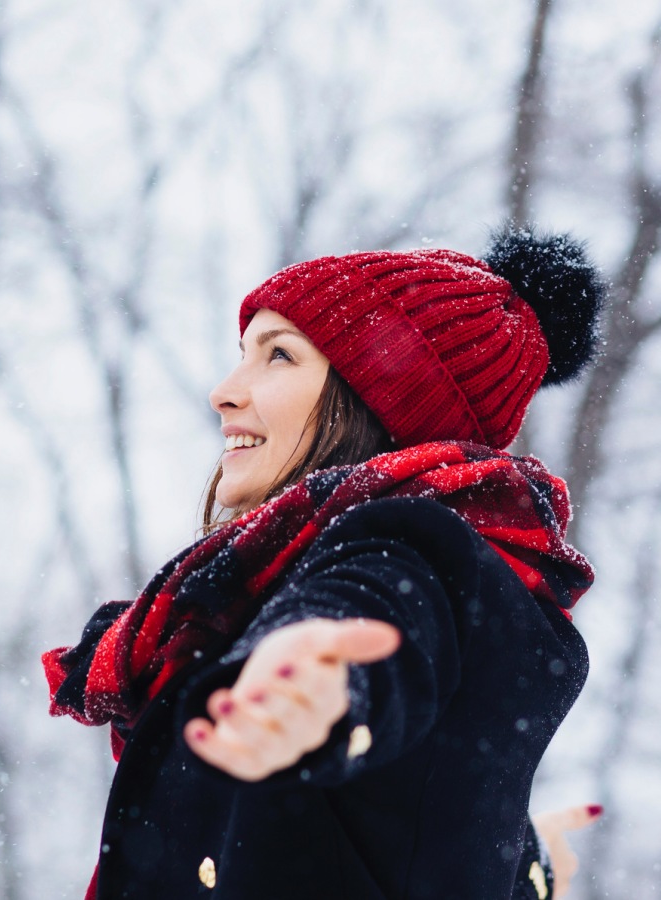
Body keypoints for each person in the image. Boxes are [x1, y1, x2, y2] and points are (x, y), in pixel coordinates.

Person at [45, 227, 606, 899]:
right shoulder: (285, 578)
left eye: (279, 356)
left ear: (388, 397)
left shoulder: (405, 553)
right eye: (243, 354)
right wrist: (526, 868)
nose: (224, 391)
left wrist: (322, 677)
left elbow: (373, 617)